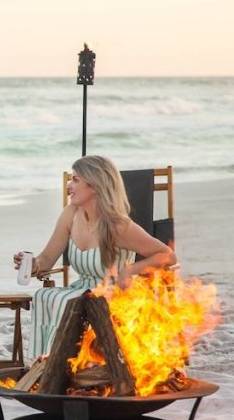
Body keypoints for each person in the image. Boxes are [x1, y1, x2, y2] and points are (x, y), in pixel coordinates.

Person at [14, 154, 177, 361]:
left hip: (111, 293)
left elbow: (168, 255)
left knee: (64, 300)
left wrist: (129, 270)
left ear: (94, 186)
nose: (69, 186)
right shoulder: (71, 215)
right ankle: (45, 363)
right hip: (82, 289)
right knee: (43, 295)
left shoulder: (118, 226)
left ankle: (61, 363)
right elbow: (46, 259)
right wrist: (31, 265)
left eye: (75, 180)